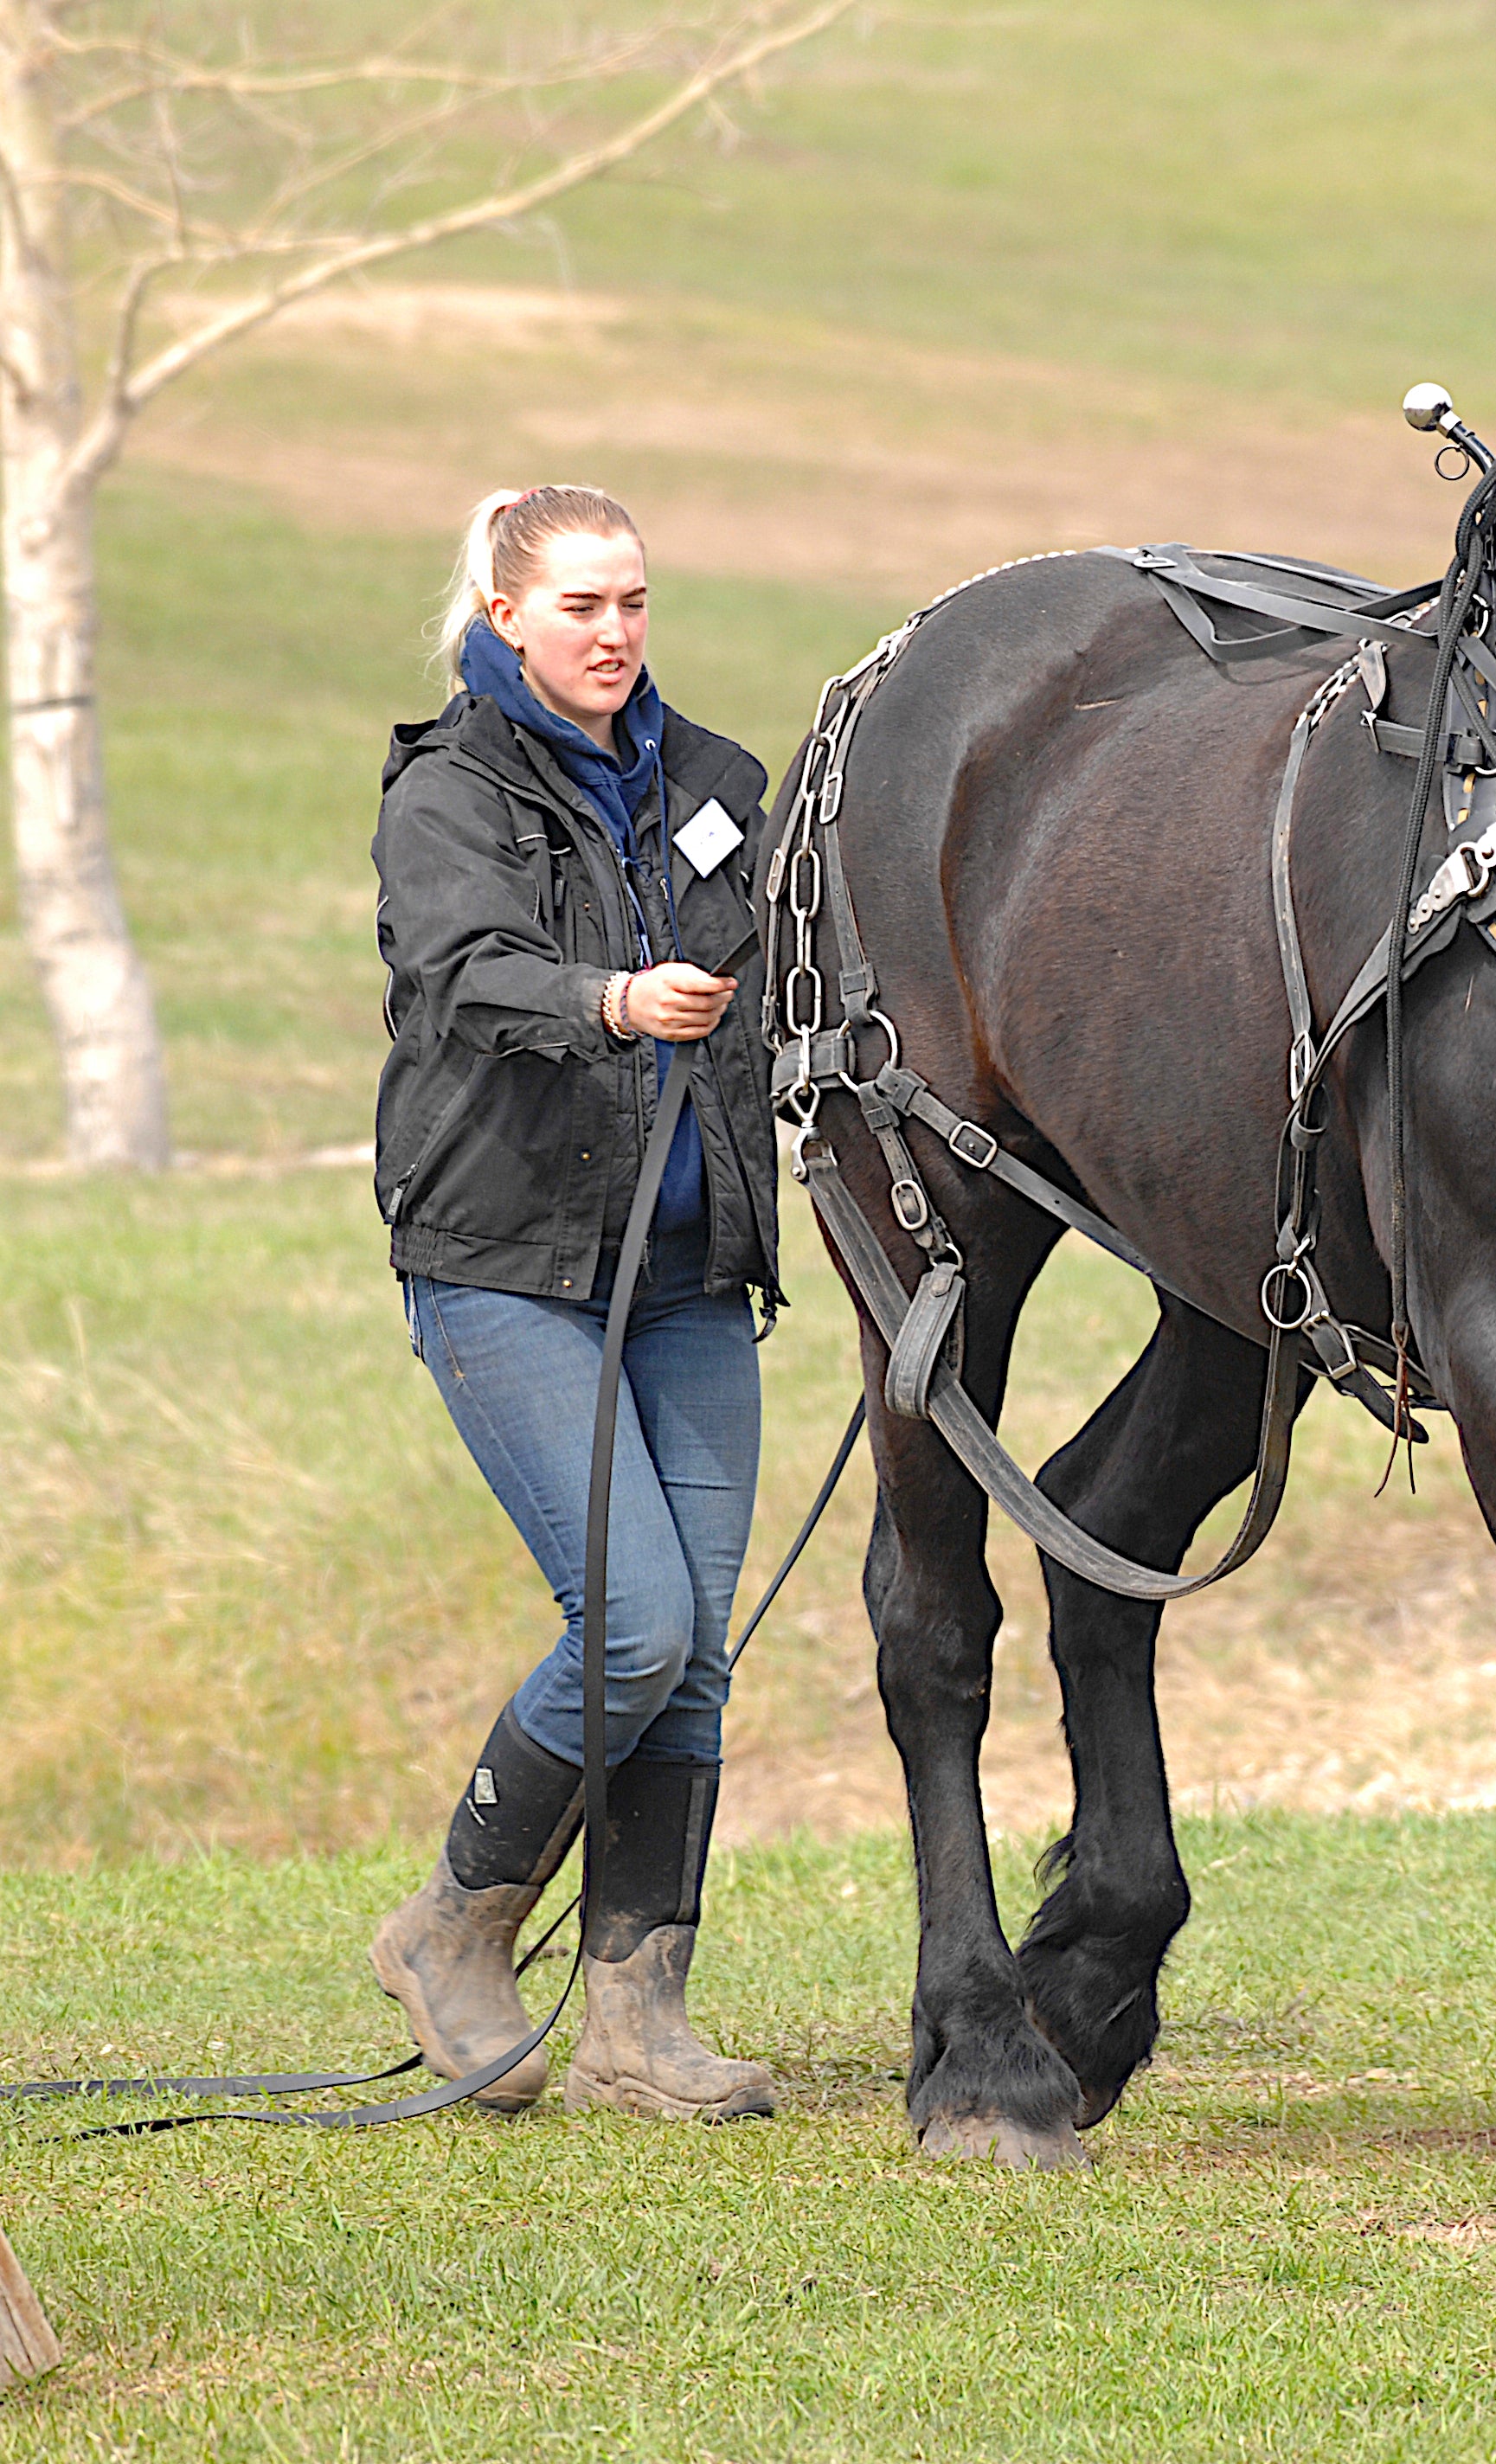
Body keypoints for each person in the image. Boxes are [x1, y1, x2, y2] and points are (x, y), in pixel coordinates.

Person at [365, 484, 785, 2121]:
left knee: (692, 1664)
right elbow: (461, 972)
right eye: (580, 607)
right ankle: (450, 1935)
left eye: (633, 605)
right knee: (632, 1624)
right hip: (505, 1264)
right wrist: (613, 998)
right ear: (503, 613)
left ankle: (637, 2017)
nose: (613, 636)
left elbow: (775, 989)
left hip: (692, 1278)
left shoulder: (716, 788)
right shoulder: (448, 790)